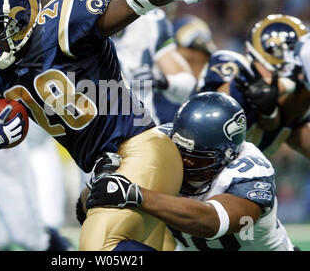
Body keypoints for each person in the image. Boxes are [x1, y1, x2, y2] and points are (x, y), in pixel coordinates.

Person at [0, 0, 224, 251]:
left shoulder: (60, 25)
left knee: (97, 248)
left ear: (20, 20)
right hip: (104, 167)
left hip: (139, 148)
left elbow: (131, 1)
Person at [86, 92, 297, 251]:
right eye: (180, 153)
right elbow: (87, 206)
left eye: (197, 159)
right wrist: (103, 180)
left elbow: (212, 222)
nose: (185, 163)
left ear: (227, 156)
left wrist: (135, 194)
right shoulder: (163, 140)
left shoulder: (251, 171)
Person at [77, 0, 196, 125]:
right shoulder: (70, 33)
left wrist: (163, 81)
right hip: (90, 135)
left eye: (111, 4)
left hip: (141, 131)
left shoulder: (150, 23)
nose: (104, 13)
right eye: (96, 6)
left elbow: (186, 85)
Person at [196, 14, 310, 159]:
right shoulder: (233, 64)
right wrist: (286, 85)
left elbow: (271, 123)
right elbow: (220, 107)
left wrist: (270, 112)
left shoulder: (296, 105)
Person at [154, 14, 217, 123]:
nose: (199, 64)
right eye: (190, 60)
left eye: (203, 58)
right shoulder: (155, 81)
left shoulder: (212, 87)